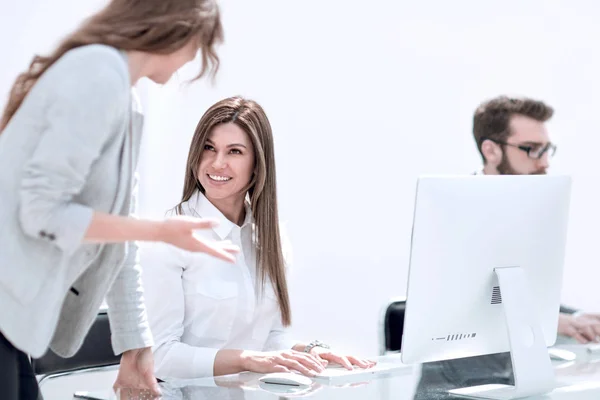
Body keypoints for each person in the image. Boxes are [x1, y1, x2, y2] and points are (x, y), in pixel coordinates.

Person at [0, 1, 240, 399]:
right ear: (176, 29)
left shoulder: (125, 98)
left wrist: (137, 344)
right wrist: (161, 231)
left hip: (13, 323)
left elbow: (118, 241)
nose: (194, 59)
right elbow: (41, 210)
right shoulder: (97, 74)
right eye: (199, 45)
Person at [143, 96, 376, 380]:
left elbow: (268, 339)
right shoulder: (170, 237)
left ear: (257, 164)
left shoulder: (271, 236)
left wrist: (309, 351)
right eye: (209, 148)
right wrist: (248, 359)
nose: (217, 163)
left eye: (235, 152)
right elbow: (159, 358)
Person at [415, 96, 600, 397]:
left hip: (516, 379)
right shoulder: (451, 211)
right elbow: (458, 307)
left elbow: (520, 287)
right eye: (531, 149)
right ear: (491, 150)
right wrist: (551, 321)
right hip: (456, 386)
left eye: (546, 149)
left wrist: (573, 319)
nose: (544, 161)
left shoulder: (529, 209)